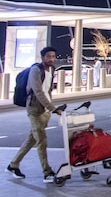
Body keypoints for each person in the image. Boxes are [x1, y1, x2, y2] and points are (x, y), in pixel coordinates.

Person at [7, 46, 64, 183]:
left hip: (45, 111)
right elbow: (38, 92)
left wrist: (50, 107)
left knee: (32, 139)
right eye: (48, 56)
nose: (51, 59)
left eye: (53, 56)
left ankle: (13, 165)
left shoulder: (52, 70)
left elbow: (48, 90)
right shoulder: (35, 70)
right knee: (41, 141)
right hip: (34, 109)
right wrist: (52, 108)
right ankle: (47, 172)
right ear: (43, 57)